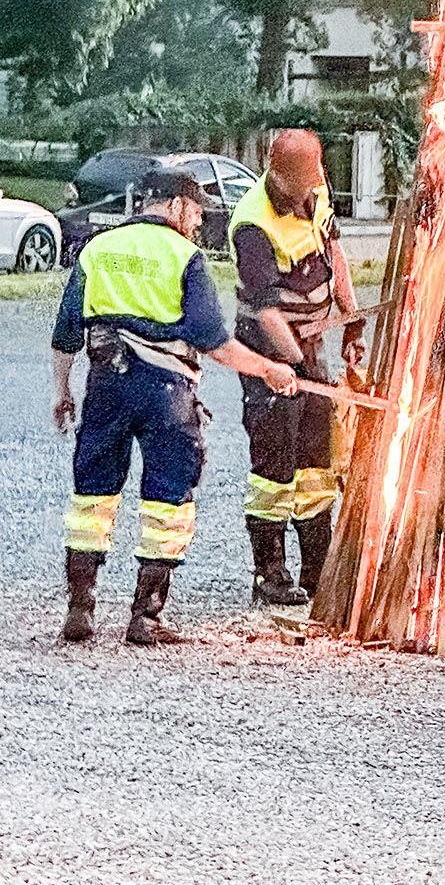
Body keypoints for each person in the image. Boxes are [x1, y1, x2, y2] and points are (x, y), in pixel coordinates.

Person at [52, 168, 297, 646]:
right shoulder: (185, 256)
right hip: (165, 391)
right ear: (176, 205)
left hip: (106, 383)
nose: (200, 217)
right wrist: (270, 369)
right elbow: (213, 342)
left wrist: (62, 391)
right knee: (167, 498)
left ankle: (79, 609)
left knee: (91, 497)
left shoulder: (98, 249)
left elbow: (66, 331)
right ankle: (146, 616)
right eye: (197, 207)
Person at [229, 129, 364, 605]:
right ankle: (269, 573)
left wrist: (351, 321)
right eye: (298, 184)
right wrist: (288, 366)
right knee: (274, 464)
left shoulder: (318, 191)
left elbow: (336, 253)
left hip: (311, 341)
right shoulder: (252, 224)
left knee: (315, 461)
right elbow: (265, 310)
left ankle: (317, 568)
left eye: (313, 181)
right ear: (277, 173)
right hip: (269, 345)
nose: (307, 192)